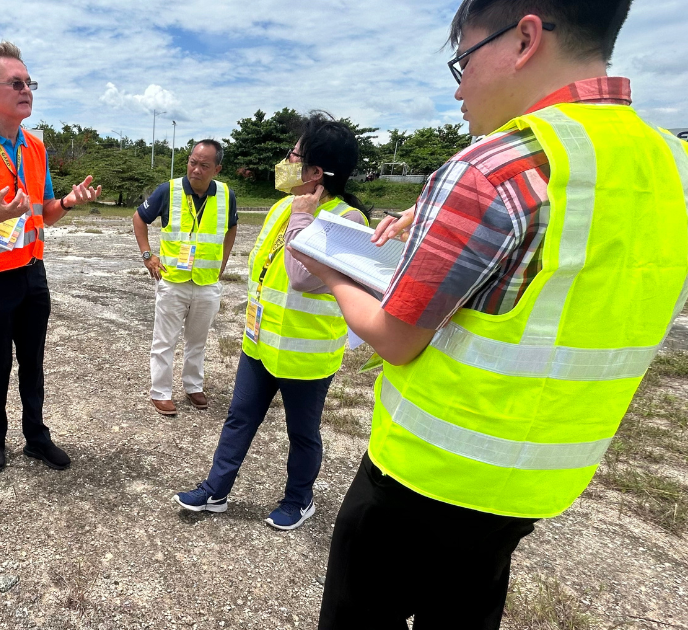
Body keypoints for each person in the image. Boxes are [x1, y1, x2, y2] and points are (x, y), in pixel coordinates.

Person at [290, 1, 688, 627]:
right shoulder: (674, 167)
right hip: (540, 481)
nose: (459, 90)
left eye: (464, 60)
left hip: (428, 472)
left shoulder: (494, 168)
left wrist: (332, 270)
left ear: (525, 37)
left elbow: (396, 339)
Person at [174, 114, 369, 530]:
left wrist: (303, 218)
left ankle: (300, 499)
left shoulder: (347, 220)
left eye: (292, 155)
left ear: (316, 171)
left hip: (305, 353)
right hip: (260, 341)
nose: (285, 161)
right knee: (239, 418)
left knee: (302, 433)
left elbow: (301, 278)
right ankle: (216, 489)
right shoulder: (282, 205)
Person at [0, 42, 101, 473]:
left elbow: (44, 213)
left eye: (29, 83)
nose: (26, 89)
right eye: (16, 83)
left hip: (31, 272)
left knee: (33, 359)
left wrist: (66, 201)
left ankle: (36, 437)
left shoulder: (35, 147)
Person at [133, 140, 238, 416]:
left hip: (206, 283)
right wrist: (148, 256)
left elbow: (231, 227)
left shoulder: (226, 195)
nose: (196, 169)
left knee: (198, 340)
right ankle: (160, 393)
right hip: (173, 281)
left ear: (217, 168)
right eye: (193, 162)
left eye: (204, 165)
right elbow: (139, 218)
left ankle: (193, 386)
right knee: (164, 340)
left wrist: (222, 263)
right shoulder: (169, 190)